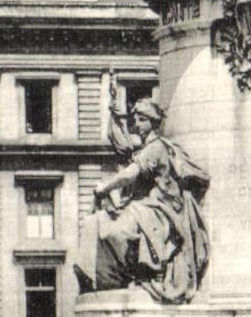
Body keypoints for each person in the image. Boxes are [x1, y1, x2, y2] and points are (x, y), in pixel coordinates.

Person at [76, 99, 210, 306]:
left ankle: (136, 274)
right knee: (96, 222)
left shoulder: (156, 148)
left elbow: (130, 174)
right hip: (143, 205)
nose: (136, 124)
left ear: (153, 123)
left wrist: (105, 188)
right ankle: (110, 279)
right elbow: (122, 146)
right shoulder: (144, 148)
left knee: (117, 232)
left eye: (141, 120)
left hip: (160, 207)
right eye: (135, 120)